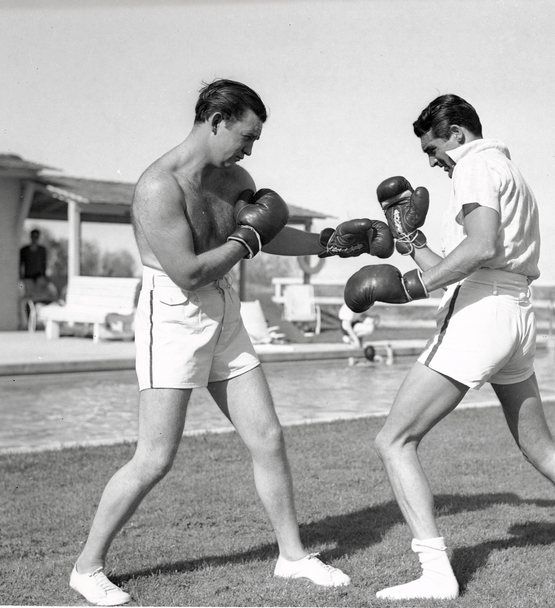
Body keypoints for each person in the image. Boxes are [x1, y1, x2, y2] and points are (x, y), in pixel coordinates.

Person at [69, 79, 393, 606]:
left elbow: (262, 231)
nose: (249, 149)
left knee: (267, 436)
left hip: (224, 310)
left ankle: (292, 556)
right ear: (215, 121)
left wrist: (327, 244)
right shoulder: (158, 188)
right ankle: (86, 568)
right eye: (246, 136)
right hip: (172, 313)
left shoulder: (235, 177)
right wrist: (247, 240)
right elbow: (190, 271)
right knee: (155, 457)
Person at [344, 94, 555, 600]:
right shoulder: (509, 170)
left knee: (393, 441)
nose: (433, 161)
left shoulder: (475, 167)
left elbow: (479, 248)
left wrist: (414, 286)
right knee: (540, 447)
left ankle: (437, 576)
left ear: (457, 133)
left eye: (434, 148)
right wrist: (410, 240)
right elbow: (478, 259)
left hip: (483, 315)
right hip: (516, 314)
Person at [19, 229, 58, 328]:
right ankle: (30, 323)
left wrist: (44, 278)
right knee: (30, 300)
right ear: (31, 237)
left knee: (43, 298)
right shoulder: (24, 250)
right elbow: (20, 265)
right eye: (33, 236)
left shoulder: (42, 250)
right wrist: (21, 279)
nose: (35, 238)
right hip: (28, 278)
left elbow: (44, 264)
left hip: (40, 278)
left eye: (37, 236)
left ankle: (41, 321)